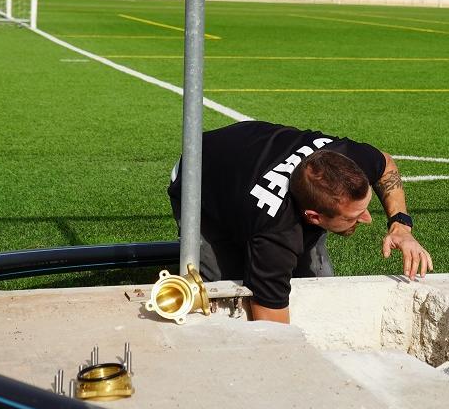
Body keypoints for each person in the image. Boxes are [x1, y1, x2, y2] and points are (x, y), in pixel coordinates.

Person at [168, 120, 433, 324]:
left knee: (318, 282)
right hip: (202, 176)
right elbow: (272, 329)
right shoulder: (276, 234)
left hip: (251, 151)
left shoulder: (348, 159)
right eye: (353, 217)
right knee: (227, 291)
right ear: (313, 216)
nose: (367, 219)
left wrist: (400, 224)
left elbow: (385, 164)